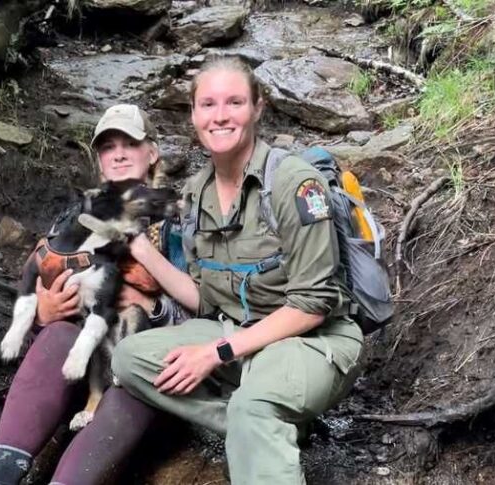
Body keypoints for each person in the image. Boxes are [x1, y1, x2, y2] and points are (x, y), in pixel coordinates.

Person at [111, 56, 364, 484]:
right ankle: (264, 423)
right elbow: (207, 299)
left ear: (257, 107)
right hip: (239, 333)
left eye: (234, 102)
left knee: (252, 405)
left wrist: (217, 353)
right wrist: (142, 251)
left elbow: (314, 304)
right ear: (193, 114)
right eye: (208, 104)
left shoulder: (295, 184)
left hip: (310, 340)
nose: (220, 116)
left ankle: (258, 414)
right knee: (130, 357)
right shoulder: (196, 194)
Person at [0, 104, 189, 485]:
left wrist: (154, 307)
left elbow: (207, 311)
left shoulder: (177, 219)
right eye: (108, 146)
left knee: (133, 368)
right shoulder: (76, 212)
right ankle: (3, 475)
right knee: (57, 333)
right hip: (77, 364)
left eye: (130, 143)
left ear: (152, 153)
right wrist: (43, 311)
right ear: (99, 161)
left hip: (143, 364)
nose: (118, 153)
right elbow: (37, 276)